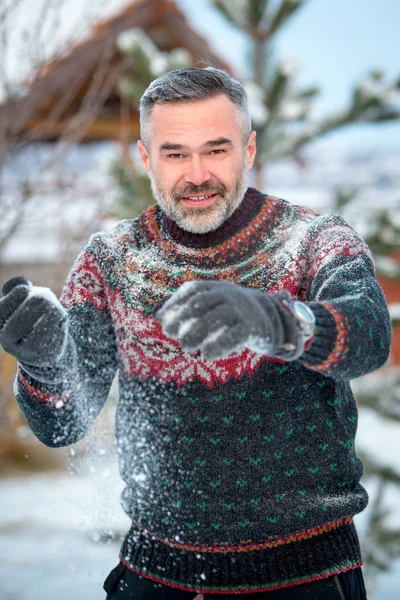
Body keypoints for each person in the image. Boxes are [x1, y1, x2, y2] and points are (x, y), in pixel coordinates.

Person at [0, 67, 391, 600]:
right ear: (145, 157)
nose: (198, 173)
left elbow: (368, 336)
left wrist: (274, 320)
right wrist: (44, 364)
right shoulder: (110, 263)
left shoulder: (314, 241)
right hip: (154, 578)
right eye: (175, 153)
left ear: (249, 149)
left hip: (308, 578)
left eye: (217, 149)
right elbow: (64, 423)